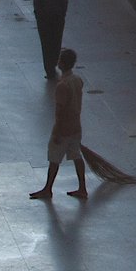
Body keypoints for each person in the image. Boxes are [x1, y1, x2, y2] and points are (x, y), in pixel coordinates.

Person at [31, 48, 90, 200]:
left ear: (62, 63)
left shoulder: (62, 86)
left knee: (54, 158)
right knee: (76, 156)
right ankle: (82, 187)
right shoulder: (78, 80)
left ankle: (48, 188)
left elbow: (60, 112)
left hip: (64, 129)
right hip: (76, 127)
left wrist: (56, 132)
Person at [31, 0, 69, 81]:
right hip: (57, 19)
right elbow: (65, 1)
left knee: (46, 44)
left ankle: (49, 68)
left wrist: (39, 17)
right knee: (56, 42)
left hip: (44, 20)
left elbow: (37, 3)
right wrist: (62, 14)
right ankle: (53, 63)